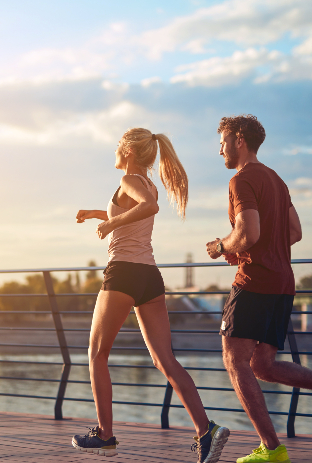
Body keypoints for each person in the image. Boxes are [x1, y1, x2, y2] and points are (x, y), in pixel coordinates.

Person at [206, 115, 312, 463]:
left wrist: (225, 246)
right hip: (283, 283)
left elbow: (249, 233)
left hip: (254, 282)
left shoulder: (241, 181)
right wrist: (248, 247)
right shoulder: (276, 180)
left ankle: (271, 450)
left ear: (239, 140)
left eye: (222, 140)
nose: (218, 147)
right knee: (263, 366)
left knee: (233, 359)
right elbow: (294, 231)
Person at [72, 128, 230, 463]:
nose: (115, 150)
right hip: (149, 277)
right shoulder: (145, 181)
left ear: (128, 151)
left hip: (124, 273)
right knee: (164, 360)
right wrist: (98, 214)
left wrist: (111, 226)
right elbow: (134, 212)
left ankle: (104, 434)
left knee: (97, 354)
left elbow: (150, 208)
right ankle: (206, 430)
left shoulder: (131, 180)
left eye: (118, 145)